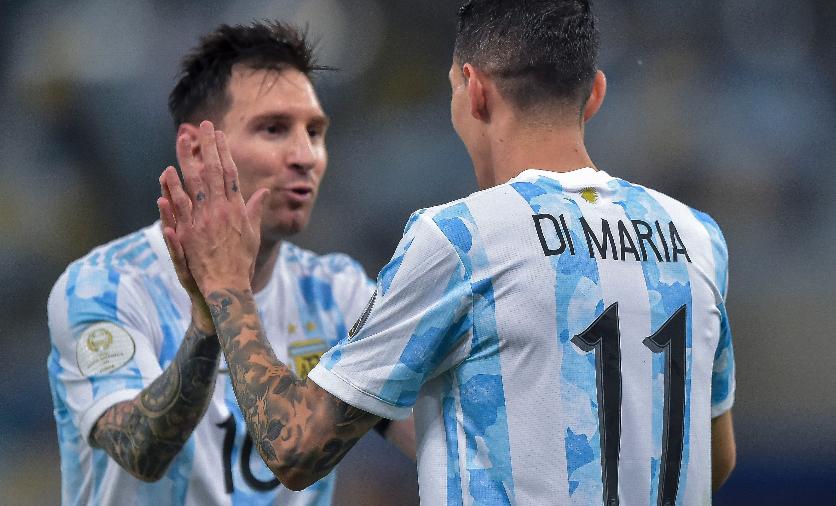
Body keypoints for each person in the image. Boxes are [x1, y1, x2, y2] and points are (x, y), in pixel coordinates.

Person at [160, 1, 737, 504]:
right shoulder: (697, 238)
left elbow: (293, 447)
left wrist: (227, 284)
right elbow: (715, 458)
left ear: (475, 89)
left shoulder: (464, 238)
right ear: (596, 95)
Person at [47, 22, 413, 506]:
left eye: (315, 132)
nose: (306, 156)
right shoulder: (103, 287)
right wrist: (207, 321)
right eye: (274, 129)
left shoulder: (338, 292)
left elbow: (440, 438)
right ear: (195, 151)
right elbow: (141, 452)